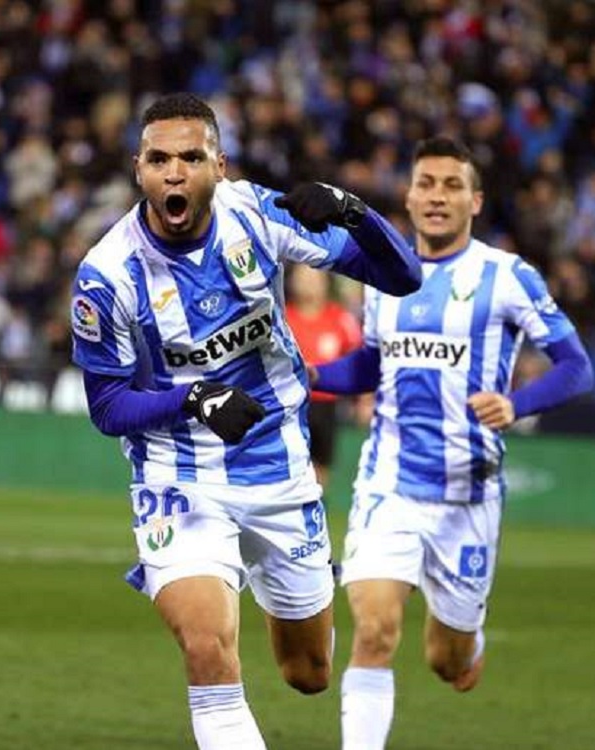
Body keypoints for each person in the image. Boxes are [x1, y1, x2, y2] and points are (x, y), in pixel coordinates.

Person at [69, 92, 422, 750]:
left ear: (218, 167)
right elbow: (107, 406)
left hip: (280, 470)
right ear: (138, 169)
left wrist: (353, 211)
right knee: (208, 650)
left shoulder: (256, 216)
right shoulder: (108, 274)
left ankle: (267, 579)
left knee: (308, 672)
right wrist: (190, 397)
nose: (173, 172)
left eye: (190, 158)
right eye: (158, 159)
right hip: (179, 476)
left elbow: (400, 276)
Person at [310, 136, 594, 750]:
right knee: (375, 631)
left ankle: (467, 639)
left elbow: (577, 366)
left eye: (452, 185)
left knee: (448, 662)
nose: (438, 196)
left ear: (475, 200)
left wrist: (519, 404)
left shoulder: (507, 276)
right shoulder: (383, 277)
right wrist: (309, 376)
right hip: (388, 482)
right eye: (427, 184)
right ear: (408, 197)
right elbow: (369, 367)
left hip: (468, 496)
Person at [285, 264, 362, 490]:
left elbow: (359, 357)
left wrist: (363, 399)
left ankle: (316, 511)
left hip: (328, 405)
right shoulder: (281, 316)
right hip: (292, 404)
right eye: (302, 277)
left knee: (321, 468)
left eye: (314, 277)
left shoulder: (340, 318)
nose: (309, 283)